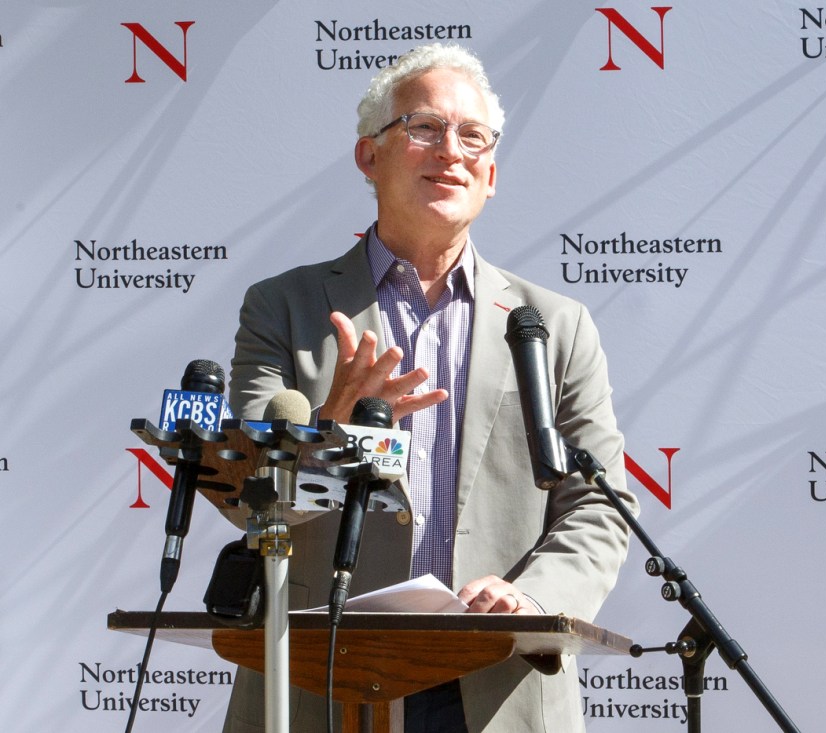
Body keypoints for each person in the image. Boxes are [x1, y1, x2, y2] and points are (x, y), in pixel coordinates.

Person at [222, 43, 637, 733]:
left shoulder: (554, 326)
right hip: (323, 680)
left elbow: (599, 505)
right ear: (369, 157)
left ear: (492, 173)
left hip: (495, 682)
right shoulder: (283, 309)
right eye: (424, 128)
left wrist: (532, 596)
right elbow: (248, 502)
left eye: (472, 136)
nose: (452, 150)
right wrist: (331, 429)